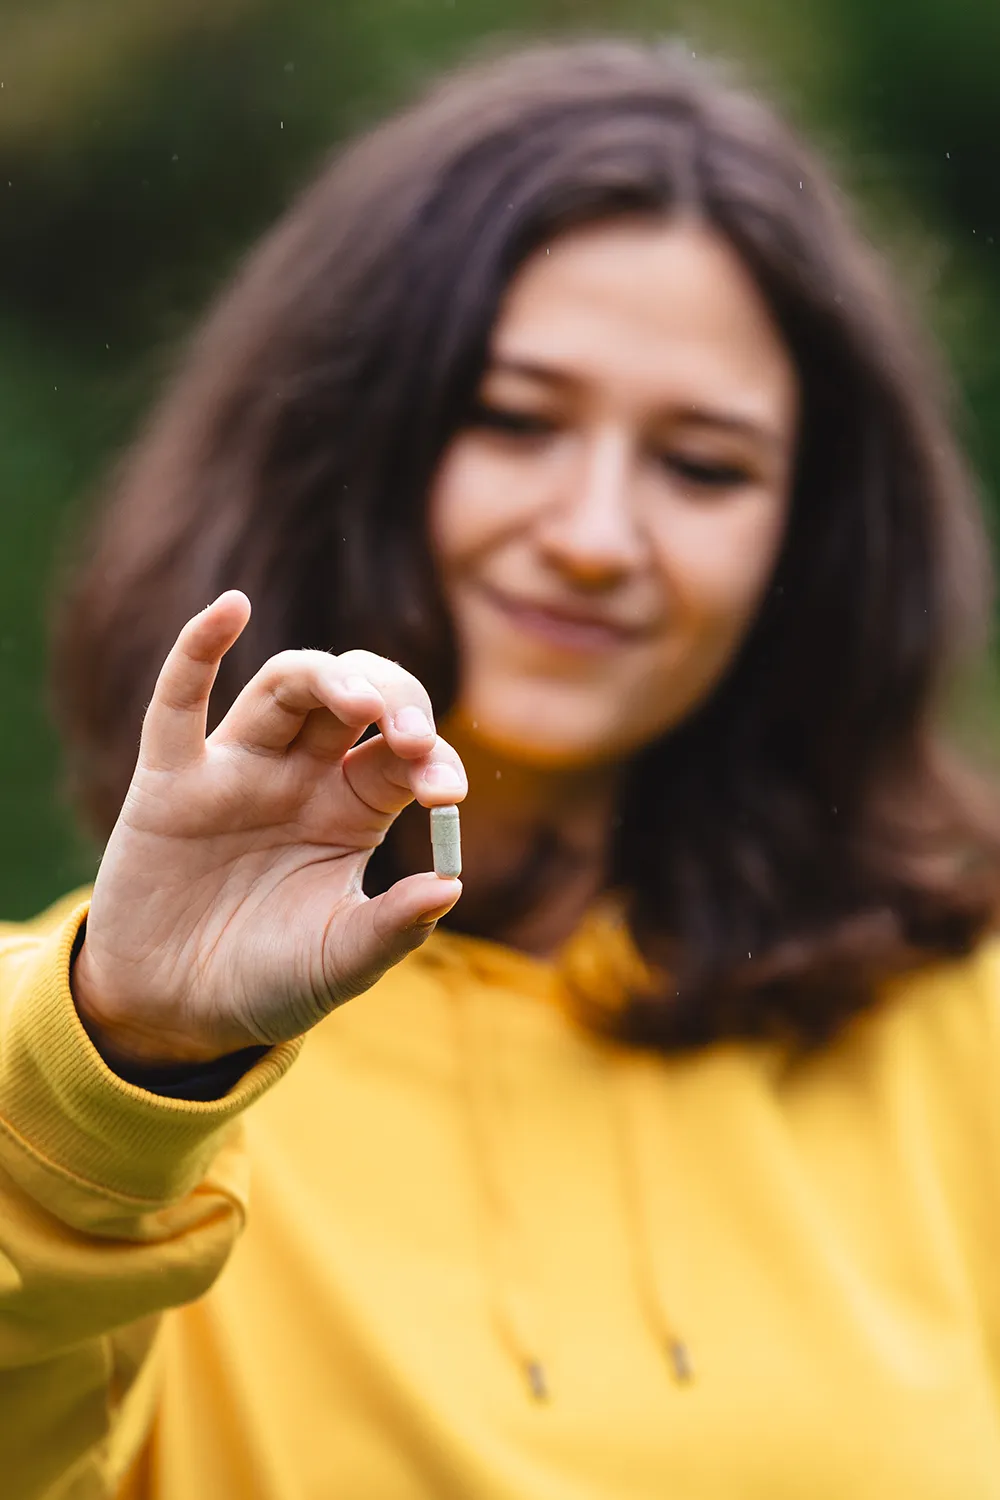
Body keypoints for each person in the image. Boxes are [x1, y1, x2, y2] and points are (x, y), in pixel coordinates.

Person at [3, 36, 1000, 1500]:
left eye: (704, 466)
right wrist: (135, 1062)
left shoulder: (952, 1007)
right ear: (341, 444)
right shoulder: (76, 1065)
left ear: (817, 540)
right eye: (513, 420)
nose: (596, 532)